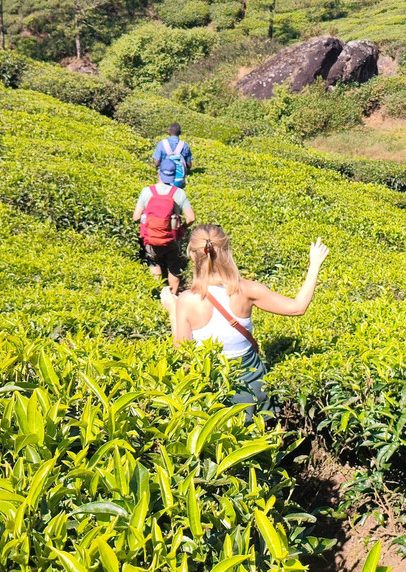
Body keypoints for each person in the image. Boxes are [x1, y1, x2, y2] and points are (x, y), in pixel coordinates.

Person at [161, 225, 330, 420]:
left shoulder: (186, 300)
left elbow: (182, 354)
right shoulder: (246, 289)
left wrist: (173, 313)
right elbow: (297, 307)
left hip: (215, 391)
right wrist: (315, 264)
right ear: (226, 251)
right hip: (255, 386)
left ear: (192, 255)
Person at [133, 178, 195, 294]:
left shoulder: (146, 191)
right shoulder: (179, 193)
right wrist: (183, 228)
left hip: (151, 238)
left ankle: (157, 296)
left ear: (159, 174)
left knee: (154, 262)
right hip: (171, 238)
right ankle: (173, 296)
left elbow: (136, 217)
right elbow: (191, 218)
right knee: (173, 265)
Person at [153, 123, 193, 189]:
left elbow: (156, 163)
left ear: (168, 131)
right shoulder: (184, 145)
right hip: (179, 180)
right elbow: (189, 165)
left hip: (164, 178)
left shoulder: (162, 143)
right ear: (180, 132)